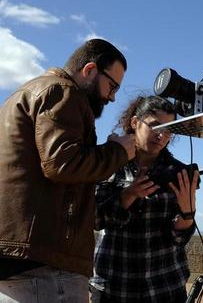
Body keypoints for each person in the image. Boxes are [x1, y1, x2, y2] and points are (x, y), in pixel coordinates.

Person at [0, 38, 136, 302]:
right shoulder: (63, 91)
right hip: (45, 267)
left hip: (23, 261)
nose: (113, 96)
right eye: (112, 85)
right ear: (89, 70)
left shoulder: (20, 95)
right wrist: (119, 151)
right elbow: (63, 164)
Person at [90, 95, 199, 303]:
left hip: (165, 286)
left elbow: (178, 239)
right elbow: (95, 219)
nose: (161, 136)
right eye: (155, 126)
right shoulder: (109, 161)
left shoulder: (176, 172)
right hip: (114, 285)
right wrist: (129, 194)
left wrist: (187, 214)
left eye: (168, 130)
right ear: (134, 122)